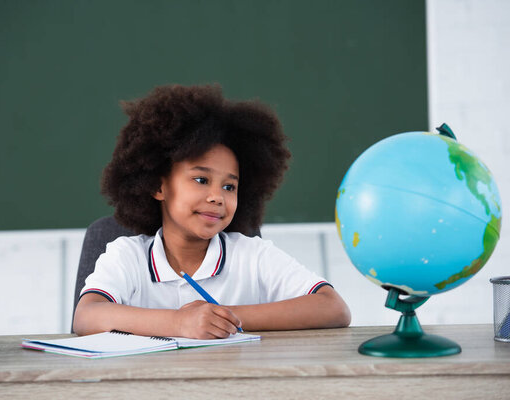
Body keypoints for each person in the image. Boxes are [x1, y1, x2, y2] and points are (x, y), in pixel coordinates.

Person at [73, 84, 350, 339]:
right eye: (201, 180)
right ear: (158, 186)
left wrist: (222, 318)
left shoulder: (252, 256)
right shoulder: (127, 256)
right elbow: (86, 316)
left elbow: (334, 307)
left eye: (230, 186)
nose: (217, 197)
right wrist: (181, 323)